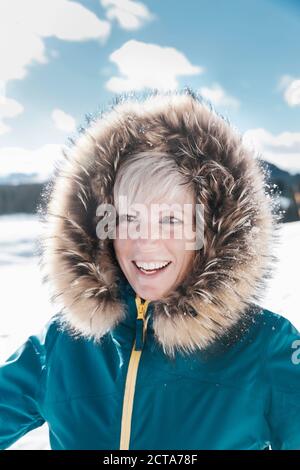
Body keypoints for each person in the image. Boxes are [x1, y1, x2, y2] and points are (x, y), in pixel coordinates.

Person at [0, 88, 300, 450]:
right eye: (129, 219)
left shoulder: (268, 346)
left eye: (171, 220)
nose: (146, 243)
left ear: (209, 233)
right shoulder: (63, 347)